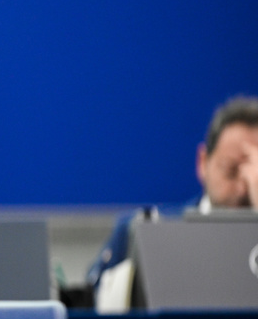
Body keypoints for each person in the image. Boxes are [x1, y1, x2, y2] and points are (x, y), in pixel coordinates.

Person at [86, 95, 258, 307]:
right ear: (202, 163)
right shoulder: (142, 231)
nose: (243, 188)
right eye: (232, 171)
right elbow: (90, 308)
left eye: (253, 176)